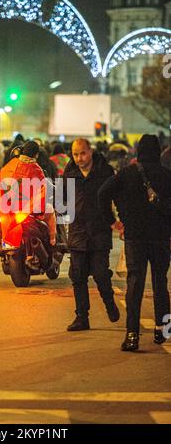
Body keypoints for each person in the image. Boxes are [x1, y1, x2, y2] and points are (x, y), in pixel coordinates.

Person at [98, 134, 171, 351]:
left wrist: (114, 222)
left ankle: (132, 335)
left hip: (135, 236)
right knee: (160, 282)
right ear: (158, 151)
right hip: (161, 237)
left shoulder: (127, 173)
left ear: (139, 151)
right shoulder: (167, 175)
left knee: (135, 283)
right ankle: (163, 329)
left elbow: (103, 193)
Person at [62, 138, 120, 331]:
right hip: (78, 231)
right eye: (76, 154)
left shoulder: (105, 172)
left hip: (99, 230)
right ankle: (81, 317)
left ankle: (109, 303)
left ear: (91, 151)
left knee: (101, 274)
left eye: (83, 153)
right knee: (77, 277)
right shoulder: (69, 173)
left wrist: (120, 221)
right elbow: (62, 200)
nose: (79, 158)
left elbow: (116, 197)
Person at [0, 140, 56, 251]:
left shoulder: (8, 167)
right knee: (50, 209)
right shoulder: (37, 169)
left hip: (9, 210)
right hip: (30, 211)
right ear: (36, 154)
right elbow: (44, 190)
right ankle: (52, 241)